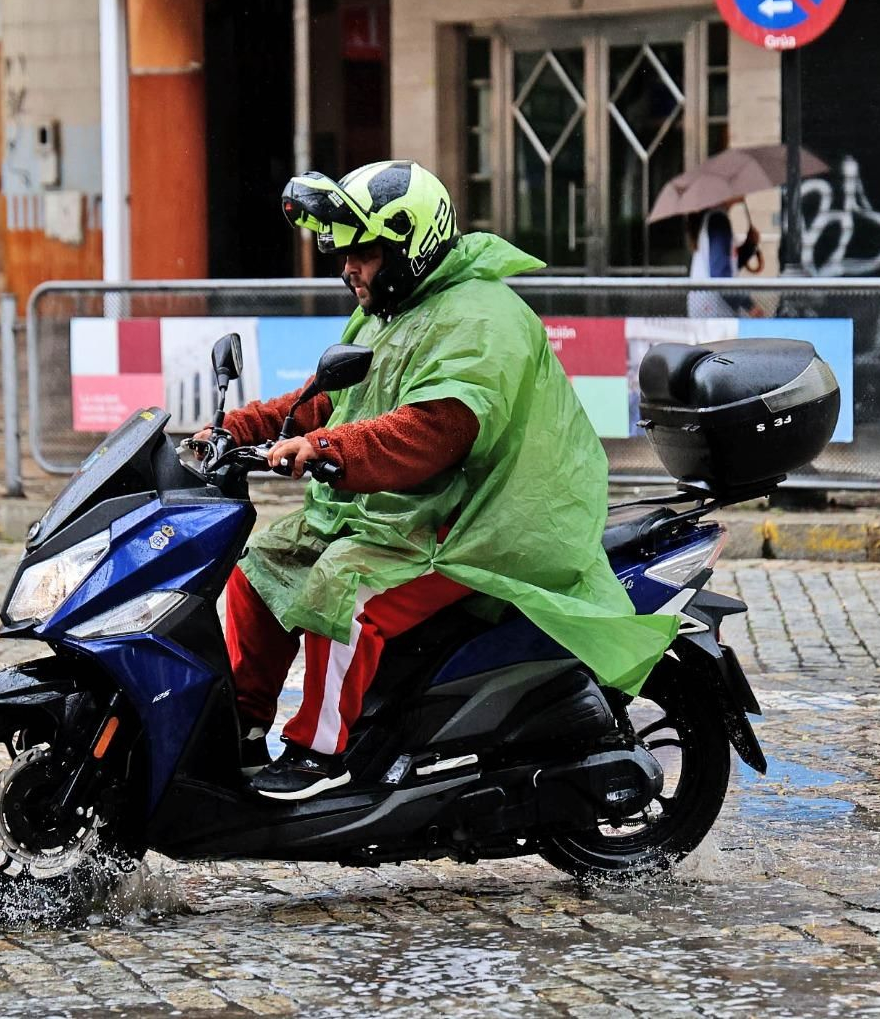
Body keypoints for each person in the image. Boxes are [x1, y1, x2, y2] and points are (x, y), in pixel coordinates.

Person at [199, 160, 678, 800]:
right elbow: (333, 400)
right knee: (261, 563)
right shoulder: (391, 306)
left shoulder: (481, 318)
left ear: (410, 245)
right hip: (401, 512)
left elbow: (433, 432)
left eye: (363, 253)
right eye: (345, 252)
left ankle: (320, 757)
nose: (348, 267)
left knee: (344, 587)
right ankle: (244, 728)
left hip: (476, 521)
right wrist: (236, 427)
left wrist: (322, 449)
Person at [685, 198, 761, 319]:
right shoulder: (718, 221)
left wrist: (749, 245)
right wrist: (749, 305)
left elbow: (727, 264)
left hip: (706, 306)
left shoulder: (711, 220)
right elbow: (720, 274)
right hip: (715, 309)